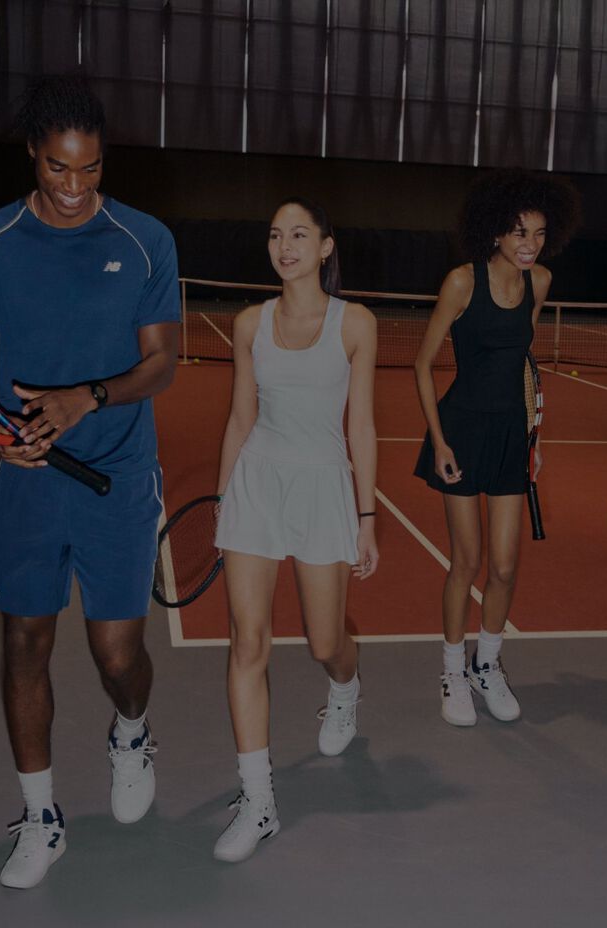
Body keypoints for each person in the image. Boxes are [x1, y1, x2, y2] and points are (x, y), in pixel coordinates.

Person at [0, 75, 180, 887]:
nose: (76, 188)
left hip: (118, 474)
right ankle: (41, 813)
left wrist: (84, 397)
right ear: (33, 155)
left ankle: (131, 730)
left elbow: (161, 362)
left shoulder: (147, 237)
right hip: (28, 480)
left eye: (89, 170)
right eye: (58, 169)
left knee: (117, 653)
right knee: (25, 640)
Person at [212, 197, 378, 862]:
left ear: (325, 246)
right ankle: (257, 798)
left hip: (321, 488)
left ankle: (345, 685)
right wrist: (224, 499)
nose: (285, 245)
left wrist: (366, 517)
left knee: (323, 640)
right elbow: (238, 417)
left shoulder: (355, 324)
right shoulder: (248, 322)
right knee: (246, 641)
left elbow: (360, 426)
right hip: (256, 484)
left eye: (299, 233)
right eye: (276, 233)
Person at [413, 169, 580, 727]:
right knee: (468, 560)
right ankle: (452, 670)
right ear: (494, 233)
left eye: (537, 232)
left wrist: (533, 438)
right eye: (518, 232)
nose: (529, 243)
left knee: (504, 567)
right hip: (460, 431)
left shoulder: (541, 282)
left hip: (511, 433)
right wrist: (438, 442)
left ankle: (488, 666)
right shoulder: (462, 282)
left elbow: (522, 362)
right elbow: (421, 363)